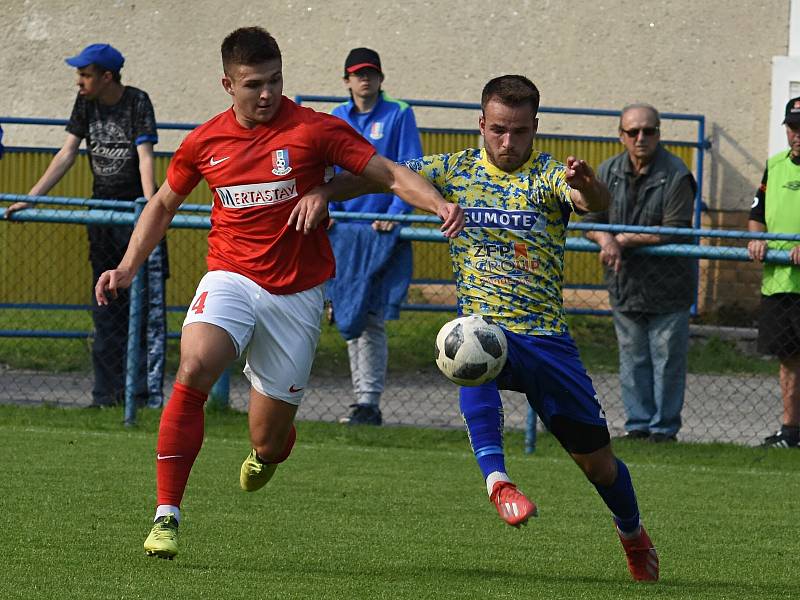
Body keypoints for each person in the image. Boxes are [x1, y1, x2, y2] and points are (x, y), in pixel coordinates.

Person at [93, 27, 462, 560]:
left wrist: (437, 206)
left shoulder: (314, 130)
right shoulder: (204, 141)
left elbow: (388, 174)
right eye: (253, 85)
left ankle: (270, 450)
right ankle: (166, 515)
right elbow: (163, 204)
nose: (266, 94)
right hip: (231, 276)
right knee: (194, 365)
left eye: (275, 81)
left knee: (267, 439)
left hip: (298, 295)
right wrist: (127, 266)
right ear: (227, 84)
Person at [316, 75, 659, 582]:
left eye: (519, 131)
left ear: (535, 129)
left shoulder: (547, 175)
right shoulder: (452, 168)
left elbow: (595, 203)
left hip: (545, 339)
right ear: (481, 124)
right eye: (498, 129)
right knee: (470, 350)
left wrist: (587, 184)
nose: (507, 141)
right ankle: (498, 481)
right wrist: (322, 192)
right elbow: (382, 174)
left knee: (598, 464)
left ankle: (632, 533)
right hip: (485, 326)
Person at [4, 43, 168, 408]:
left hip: (134, 216)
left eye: (85, 74)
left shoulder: (137, 101)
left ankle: (140, 396)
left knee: (139, 308)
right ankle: (104, 395)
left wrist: (148, 208)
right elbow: (66, 154)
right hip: (101, 215)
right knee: (105, 302)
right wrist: (32, 198)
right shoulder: (85, 103)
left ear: (107, 77)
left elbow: (145, 159)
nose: (79, 81)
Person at [584, 103, 696, 443]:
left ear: (659, 133)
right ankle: (638, 426)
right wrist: (606, 239)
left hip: (669, 288)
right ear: (621, 135)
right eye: (633, 132)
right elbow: (590, 221)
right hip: (625, 284)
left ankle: (663, 430)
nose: (641, 138)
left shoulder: (677, 173)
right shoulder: (607, 170)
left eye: (649, 131)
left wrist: (623, 238)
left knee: (666, 360)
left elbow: (674, 229)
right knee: (632, 359)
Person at [327, 47, 424, 426]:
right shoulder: (335, 117)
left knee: (372, 316)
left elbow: (409, 165)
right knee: (344, 308)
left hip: (381, 232)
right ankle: (358, 400)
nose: (364, 80)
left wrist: (396, 216)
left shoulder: (399, 112)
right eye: (357, 74)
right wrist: (328, 214)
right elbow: (325, 170)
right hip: (343, 234)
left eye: (371, 73)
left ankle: (369, 401)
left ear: (381, 78)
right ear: (347, 80)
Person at [748, 96, 800, 448]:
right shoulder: (775, 166)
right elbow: (757, 215)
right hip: (779, 283)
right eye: (794, 127)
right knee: (788, 359)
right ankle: (791, 431)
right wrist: (756, 240)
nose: (798, 135)